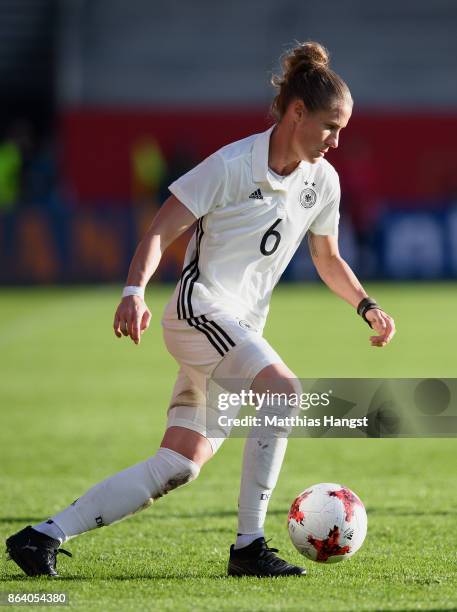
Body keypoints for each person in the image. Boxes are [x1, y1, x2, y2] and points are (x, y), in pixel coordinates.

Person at [6, 41, 395, 578]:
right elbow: (163, 227)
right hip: (198, 313)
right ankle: (248, 547)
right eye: (331, 126)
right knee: (283, 390)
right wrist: (133, 292)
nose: (337, 140)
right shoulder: (233, 164)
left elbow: (328, 258)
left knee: (179, 465)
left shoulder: (322, 182)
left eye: (342, 129)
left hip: (233, 332)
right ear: (297, 112)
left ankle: (41, 536)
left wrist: (365, 305)